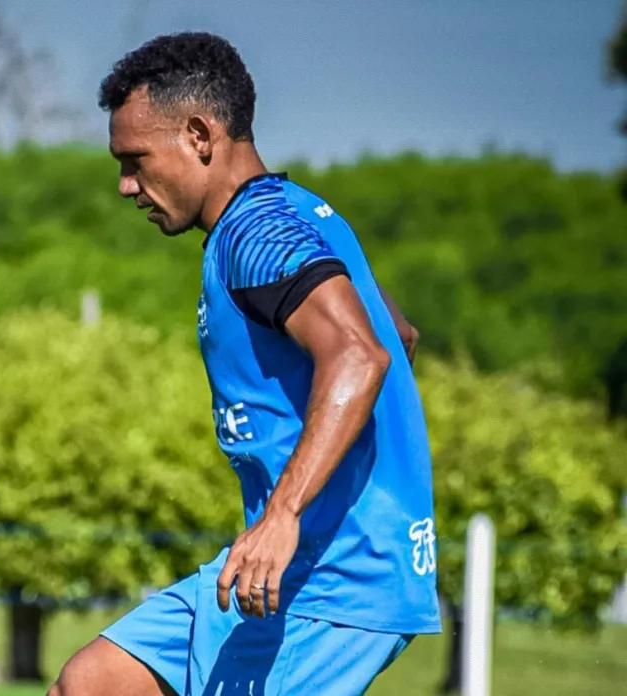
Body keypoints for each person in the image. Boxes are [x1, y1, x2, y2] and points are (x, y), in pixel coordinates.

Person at [49, 32, 441, 696]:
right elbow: (395, 333)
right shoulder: (296, 216)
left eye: (135, 159)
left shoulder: (255, 232)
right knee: (92, 684)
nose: (125, 185)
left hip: (333, 582)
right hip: (275, 571)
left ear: (200, 134)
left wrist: (285, 513)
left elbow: (361, 351)